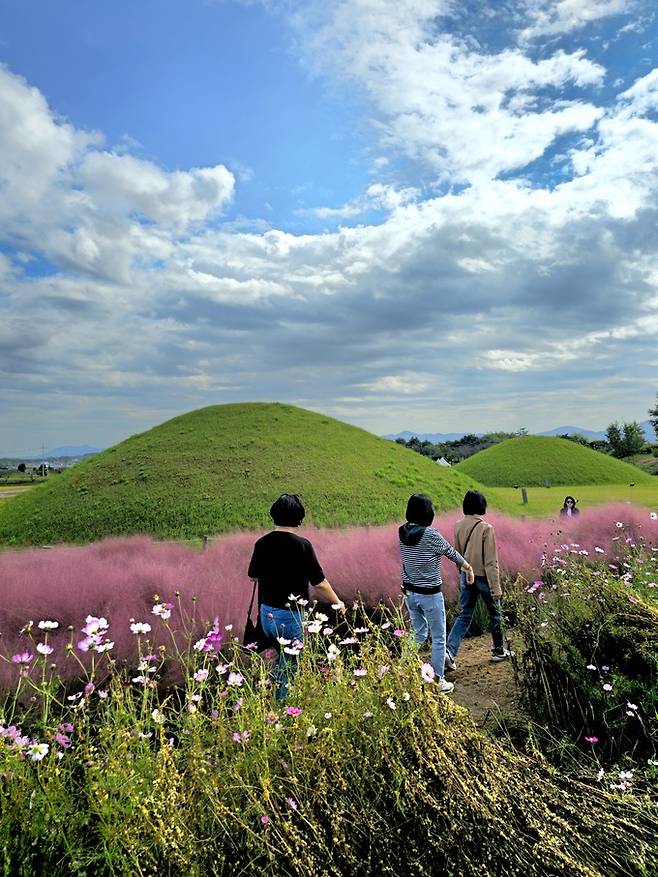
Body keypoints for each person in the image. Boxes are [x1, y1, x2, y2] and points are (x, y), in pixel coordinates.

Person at [248, 493, 346, 699]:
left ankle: (266, 701)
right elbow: (319, 584)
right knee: (289, 667)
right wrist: (337, 601)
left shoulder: (261, 543)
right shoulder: (302, 545)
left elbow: (253, 577)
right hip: (290, 616)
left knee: (277, 660)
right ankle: (281, 711)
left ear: (274, 515)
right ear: (299, 518)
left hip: (266, 613)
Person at [399, 493, 474, 694]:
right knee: (439, 637)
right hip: (430, 594)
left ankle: (402, 668)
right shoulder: (430, 534)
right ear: (427, 512)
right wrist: (467, 566)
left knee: (419, 633)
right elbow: (450, 552)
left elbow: (406, 560)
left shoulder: (402, 532)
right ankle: (438, 680)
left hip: (410, 593)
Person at [446, 490, 512, 670]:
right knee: (495, 613)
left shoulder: (458, 525)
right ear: (482, 506)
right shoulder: (486, 528)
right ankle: (499, 651)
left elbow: (456, 554)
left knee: (465, 614)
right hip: (483, 577)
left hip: (466, 575)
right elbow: (491, 562)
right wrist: (496, 588)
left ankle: (449, 651)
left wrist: (462, 572)